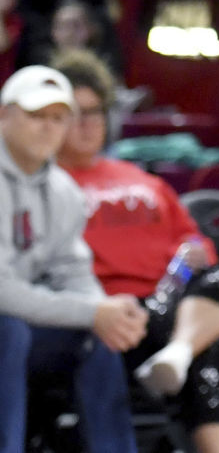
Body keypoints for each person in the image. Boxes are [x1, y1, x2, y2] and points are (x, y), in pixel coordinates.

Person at [54, 52, 219, 453]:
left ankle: (179, 349)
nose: (88, 123)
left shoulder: (142, 179)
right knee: (203, 350)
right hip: (112, 310)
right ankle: (182, 353)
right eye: (76, 113)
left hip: (176, 294)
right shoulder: (46, 184)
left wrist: (195, 252)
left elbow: (195, 240)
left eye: (96, 112)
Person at [0, 66, 143, 453]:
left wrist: (104, 311)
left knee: (99, 335)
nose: (48, 128)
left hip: (22, 327)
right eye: (36, 116)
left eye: (58, 118)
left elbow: (74, 272)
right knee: (9, 330)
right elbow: (2, 292)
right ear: (4, 115)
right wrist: (91, 312)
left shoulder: (63, 189)